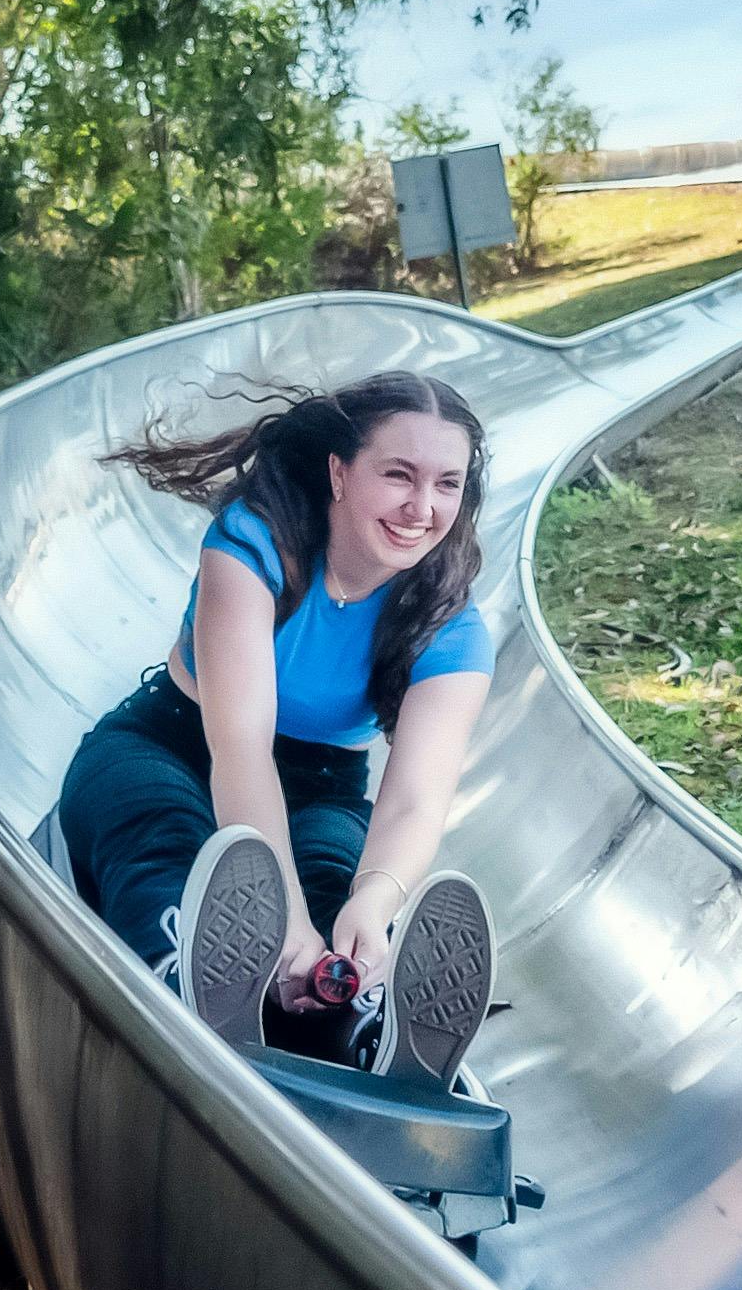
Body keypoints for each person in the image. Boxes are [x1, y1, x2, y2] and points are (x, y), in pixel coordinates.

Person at [59, 368, 497, 1091]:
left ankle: (360, 1021)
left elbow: (416, 799)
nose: (421, 507)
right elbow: (240, 749)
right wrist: (281, 917)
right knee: (170, 841)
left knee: (334, 880)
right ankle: (183, 981)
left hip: (321, 786)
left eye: (446, 484)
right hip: (169, 743)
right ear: (339, 471)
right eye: (398, 475)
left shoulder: (450, 625)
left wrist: (372, 900)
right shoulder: (255, 545)